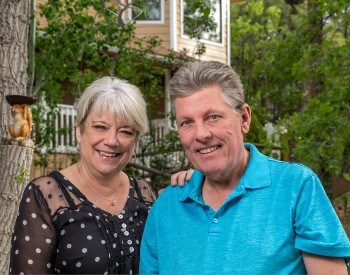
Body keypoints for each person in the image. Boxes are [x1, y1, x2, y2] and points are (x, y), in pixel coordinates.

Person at [140, 60, 350, 274]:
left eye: (213, 117)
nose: (201, 134)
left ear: (244, 118)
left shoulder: (296, 187)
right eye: (187, 122)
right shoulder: (166, 207)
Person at [9, 76, 188, 274]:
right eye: (100, 127)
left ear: (135, 140)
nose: (112, 140)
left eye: (126, 131)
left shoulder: (146, 196)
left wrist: (192, 187)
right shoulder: (46, 196)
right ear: (79, 130)